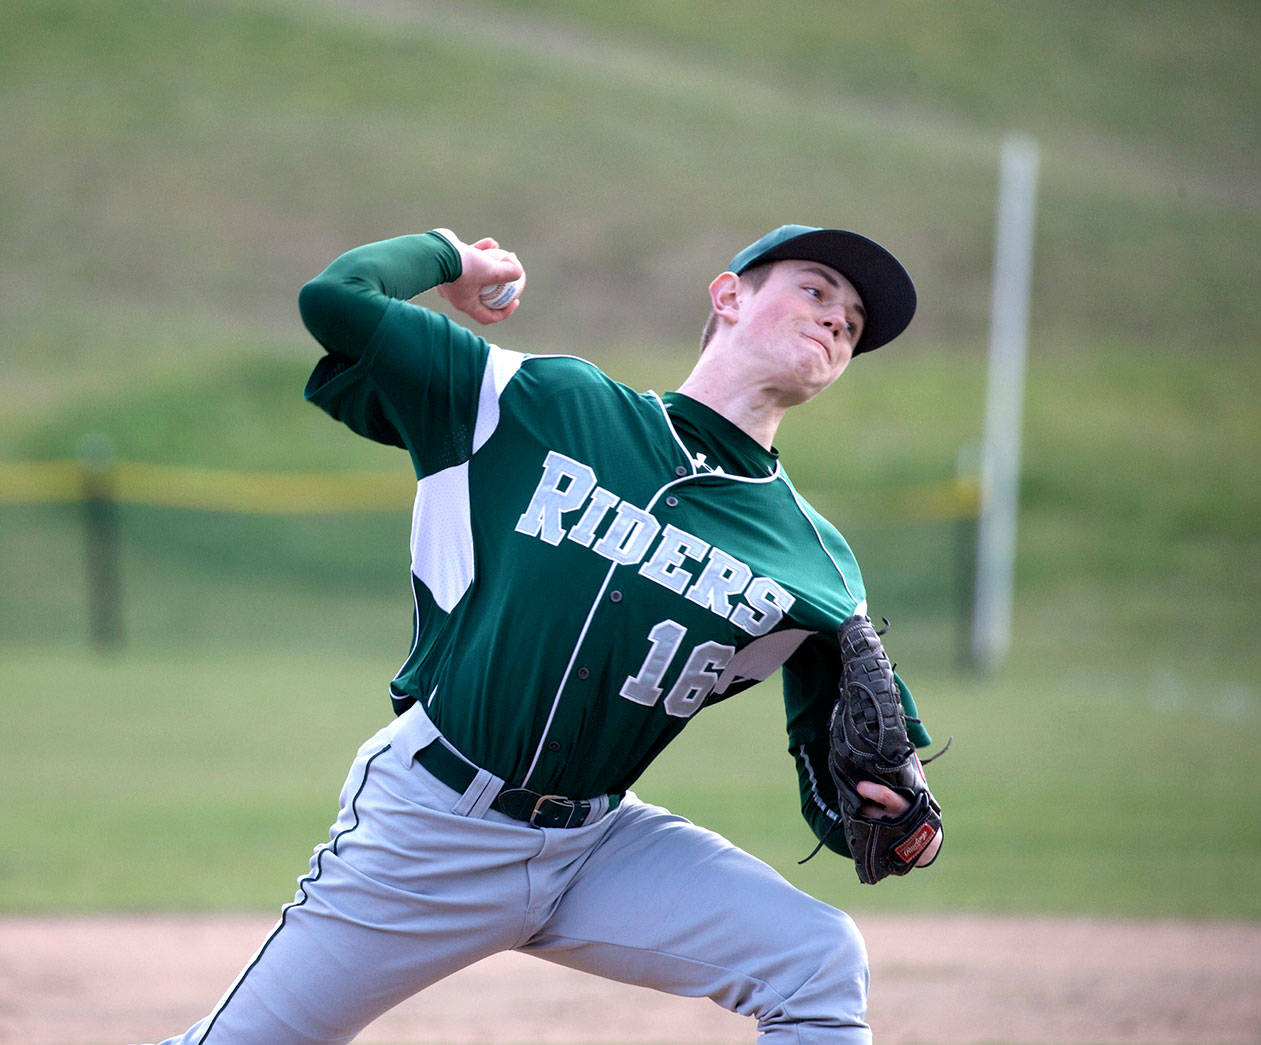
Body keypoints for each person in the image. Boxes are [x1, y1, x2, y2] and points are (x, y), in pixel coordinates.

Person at [157, 223, 942, 1044]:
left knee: (817, 961)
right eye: (815, 289)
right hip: (430, 831)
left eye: (851, 323)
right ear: (729, 295)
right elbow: (336, 301)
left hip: (598, 849)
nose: (833, 320)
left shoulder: (816, 563)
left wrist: (905, 826)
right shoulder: (545, 405)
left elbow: (853, 796)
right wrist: (452, 259)